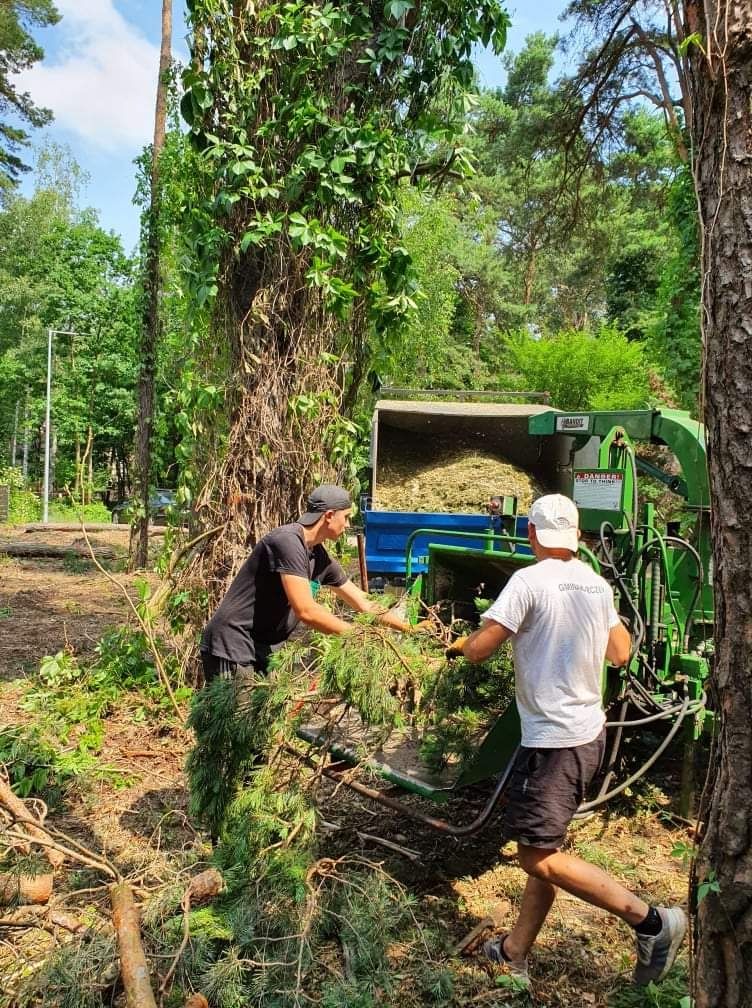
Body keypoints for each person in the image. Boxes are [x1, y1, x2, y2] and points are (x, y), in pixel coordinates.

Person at [446, 493, 686, 988]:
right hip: (587, 735)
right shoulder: (596, 585)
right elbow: (620, 653)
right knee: (546, 846)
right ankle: (514, 951)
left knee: (535, 855)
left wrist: (462, 644)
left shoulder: (528, 581)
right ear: (576, 537)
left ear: (532, 534)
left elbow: (480, 650)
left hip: (554, 741)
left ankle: (652, 923)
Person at [200, 484, 417, 685]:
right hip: (232, 644)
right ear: (329, 516)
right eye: (347, 517)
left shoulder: (318, 556)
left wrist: (410, 629)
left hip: (263, 648)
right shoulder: (287, 541)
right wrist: (356, 637)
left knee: (268, 720)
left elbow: (364, 602)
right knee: (237, 723)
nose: (349, 524)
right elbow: (306, 611)